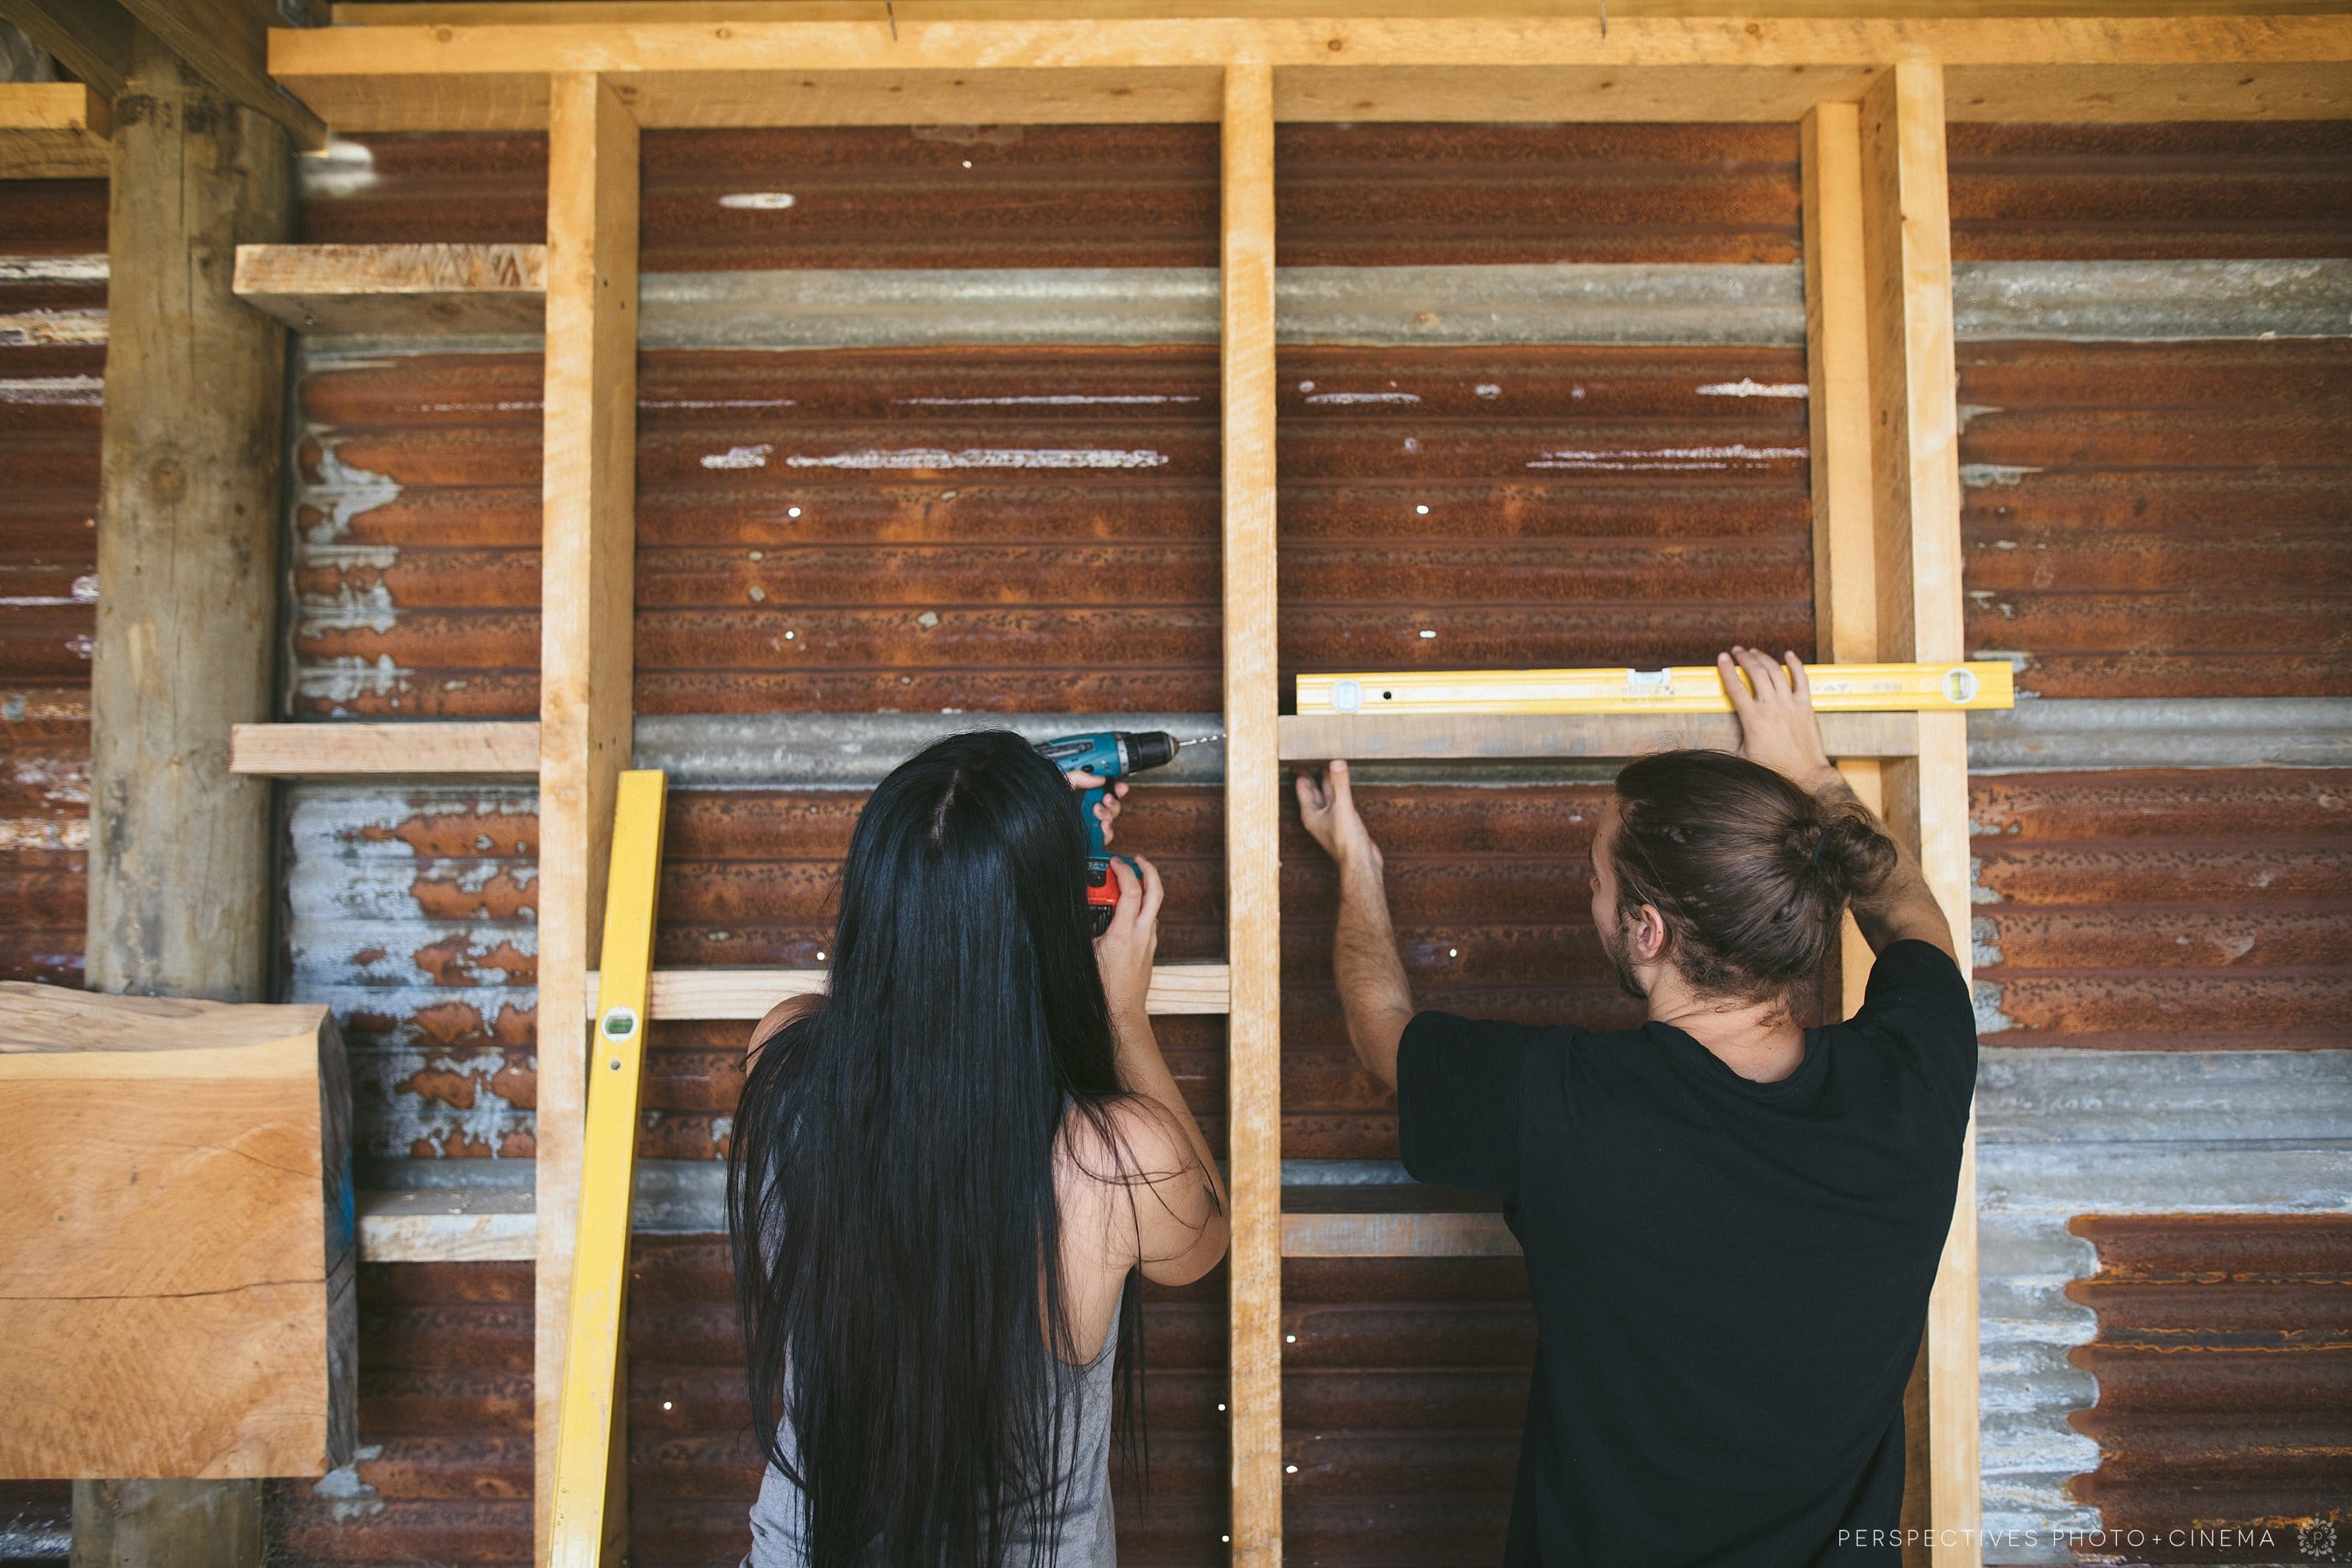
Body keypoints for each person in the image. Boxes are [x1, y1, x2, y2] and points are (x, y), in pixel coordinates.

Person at [1294, 646, 1977, 1567]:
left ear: (1646, 930)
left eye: (1596, 876)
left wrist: (1357, 866)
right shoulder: (1911, 1084)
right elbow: (1909, 915)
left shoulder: (1561, 1105)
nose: (1590, 892)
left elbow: (1383, 1033)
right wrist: (1810, 772)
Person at [728, 730, 1229, 1568]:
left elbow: (915, 971)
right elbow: (1206, 1234)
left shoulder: (785, 1062)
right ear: (1050, 922)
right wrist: (1123, 1015)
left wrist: (985, 835)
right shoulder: (1108, 1159)